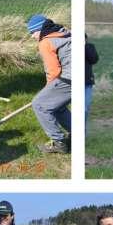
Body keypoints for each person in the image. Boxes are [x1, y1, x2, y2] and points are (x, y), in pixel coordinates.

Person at [28, 14, 72, 154]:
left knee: (39, 104)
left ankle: (59, 142)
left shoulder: (46, 42)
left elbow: (53, 71)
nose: (32, 36)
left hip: (69, 79)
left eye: (32, 32)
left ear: (39, 29)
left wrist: (48, 89)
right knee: (57, 106)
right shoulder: (63, 33)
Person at [85, 34, 99, 127]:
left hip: (87, 83)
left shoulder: (89, 47)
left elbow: (94, 59)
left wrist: (84, 46)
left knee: (85, 108)